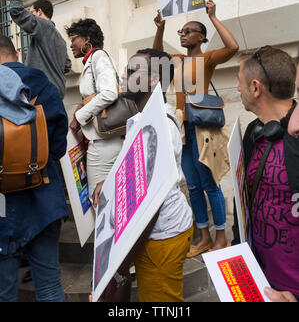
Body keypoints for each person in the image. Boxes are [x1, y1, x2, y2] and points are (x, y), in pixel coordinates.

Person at [92, 48, 193, 302]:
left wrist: (122, 261)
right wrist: (109, 183)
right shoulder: (143, 119)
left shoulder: (160, 127)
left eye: (131, 71)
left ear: (153, 79)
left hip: (161, 237)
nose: (123, 76)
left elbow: (150, 204)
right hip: (152, 236)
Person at [153, 0, 239, 256]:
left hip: (204, 129)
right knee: (192, 185)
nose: (183, 34)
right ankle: (203, 237)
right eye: (181, 31)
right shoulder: (176, 59)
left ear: (201, 37)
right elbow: (156, 56)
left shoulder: (208, 59)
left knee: (209, 183)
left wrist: (213, 16)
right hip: (183, 130)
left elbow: (233, 46)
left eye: (188, 31)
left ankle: (221, 237)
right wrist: (160, 28)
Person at [0, 35, 69, 302]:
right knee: (49, 286)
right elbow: (58, 148)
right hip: (43, 197)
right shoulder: (42, 84)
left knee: (5, 292)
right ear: (16, 53)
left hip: (3, 205)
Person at [235, 45, 299, 301]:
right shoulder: (254, 131)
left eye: (240, 83)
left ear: (255, 87)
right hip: (259, 277)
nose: (237, 89)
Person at [65, 18, 123, 199]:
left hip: (103, 142)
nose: (71, 44)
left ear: (87, 39)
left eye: (74, 38)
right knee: (109, 197)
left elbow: (109, 93)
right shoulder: (93, 59)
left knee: (98, 199)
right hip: (102, 139)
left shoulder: (99, 57)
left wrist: (79, 117)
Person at [9, 0, 71, 99]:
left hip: (42, 93)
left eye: (31, 12)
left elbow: (16, 11)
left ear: (40, 12)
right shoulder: (61, 40)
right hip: (56, 95)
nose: (30, 16)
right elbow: (67, 66)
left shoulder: (43, 26)